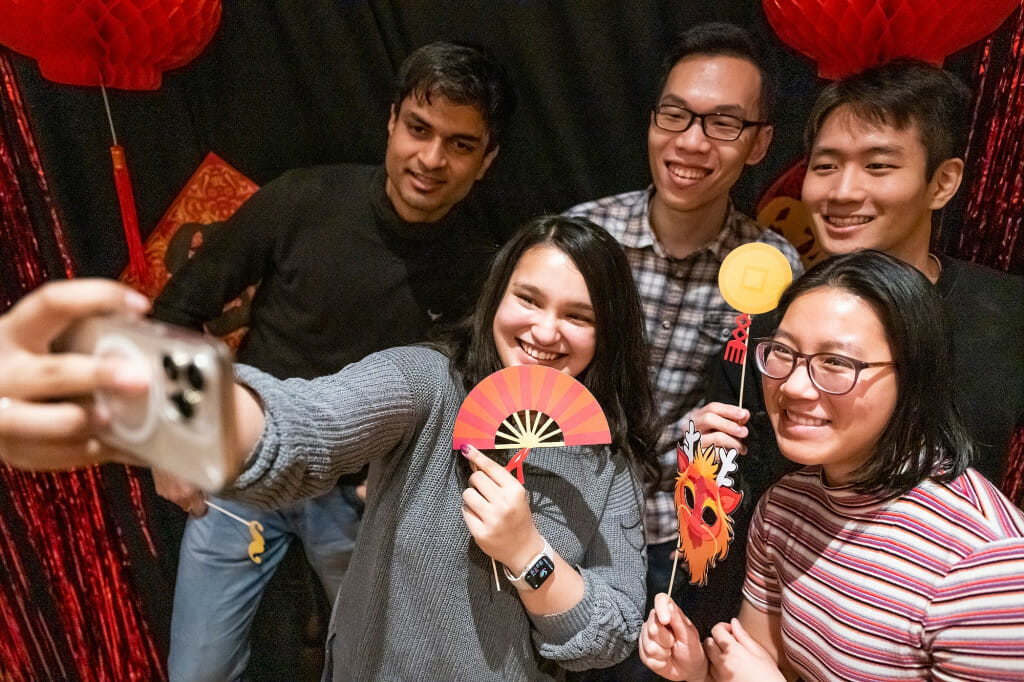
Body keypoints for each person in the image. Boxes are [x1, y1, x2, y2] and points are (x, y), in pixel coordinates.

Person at [0, 215, 662, 680]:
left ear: (608, 333)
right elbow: (306, 424)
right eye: (528, 299)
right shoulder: (431, 384)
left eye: (578, 316)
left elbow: (607, 634)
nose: (545, 330)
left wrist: (527, 552)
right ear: (497, 298)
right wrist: (141, 397)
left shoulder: (611, 466)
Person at [148, 41, 518, 680]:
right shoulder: (304, 199)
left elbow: (479, 403)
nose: (430, 159)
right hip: (244, 469)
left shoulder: (486, 271)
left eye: (459, 144)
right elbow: (175, 312)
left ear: (487, 161)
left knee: (370, 669)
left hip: (363, 501)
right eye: (418, 129)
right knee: (197, 671)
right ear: (392, 121)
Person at [640, 250, 1024, 681]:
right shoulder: (784, 508)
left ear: (915, 375)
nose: (795, 386)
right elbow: (761, 666)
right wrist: (697, 672)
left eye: (837, 363)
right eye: (782, 352)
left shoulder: (990, 566)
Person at [563, 22, 803, 664]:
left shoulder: (770, 266)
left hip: (677, 540)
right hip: (561, 518)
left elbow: (774, 417)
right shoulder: (582, 234)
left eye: (723, 123)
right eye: (675, 114)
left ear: (759, 145)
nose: (691, 141)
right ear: (652, 119)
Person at [700, 59, 1024, 489]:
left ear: (942, 182)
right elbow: (726, 503)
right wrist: (705, 464)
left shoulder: (1006, 313)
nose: (843, 192)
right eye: (826, 166)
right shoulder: (765, 335)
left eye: (878, 166)